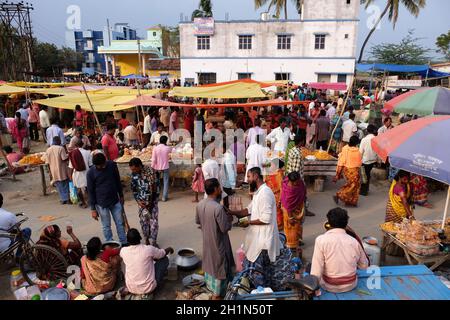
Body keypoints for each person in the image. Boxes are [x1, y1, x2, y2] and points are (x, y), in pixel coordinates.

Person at [227, 167, 281, 288]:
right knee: (255, 271)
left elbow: (265, 219)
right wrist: (232, 212)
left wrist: (248, 222)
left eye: (249, 176)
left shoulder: (265, 193)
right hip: (257, 238)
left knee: (260, 273)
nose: (248, 179)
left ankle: (262, 294)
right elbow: (248, 210)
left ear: (256, 176)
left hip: (263, 240)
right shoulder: (258, 192)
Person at [311, 208, 369, 293]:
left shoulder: (320, 240)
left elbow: (316, 269)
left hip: (328, 285)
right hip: (350, 285)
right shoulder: (354, 241)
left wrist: (314, 290)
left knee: (310, 266)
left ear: (329, 223)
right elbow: (364, 266)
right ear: (346, 223)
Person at [196, 178, 235, 300]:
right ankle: (217, 296)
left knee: (210, 265)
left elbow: (198, 222)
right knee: (219, 269)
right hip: (219, 244)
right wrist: (229, 219)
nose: (220, 189)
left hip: (207, 242)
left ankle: (213, 292)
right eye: (219, 187)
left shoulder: (200, 204)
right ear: (215, 189)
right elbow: (225, 228)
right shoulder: (218, 208)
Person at [120, 228, 173, 299]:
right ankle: (158, 284)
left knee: (124, 262)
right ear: (140, 238)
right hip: (148, 288)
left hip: (131, 288)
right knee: (164, 259)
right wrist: (169, 248)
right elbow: (162, 253)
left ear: (127, 241)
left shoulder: (123, 251)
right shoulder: (148, 249)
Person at [87, 153, 127, 245]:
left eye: (104, 164)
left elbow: (117, 180)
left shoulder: (112, 165)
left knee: (120, 223)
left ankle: (123, 242)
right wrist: (93, 209)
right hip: (101, 203)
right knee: (106, 226)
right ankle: (110, 243)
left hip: (115, 200)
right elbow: (91, 191)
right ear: (96, 165)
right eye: (101, 166)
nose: (103, 166)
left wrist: (121, 195)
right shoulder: (91, 173)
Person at [130, 158, 160, 246]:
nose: (133, 171)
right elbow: (134, 189)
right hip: (141, 203)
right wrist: (138, 201)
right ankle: (146, 239)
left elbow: (155, 189)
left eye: (135, 169)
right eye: (132, 169)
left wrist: (151, 204)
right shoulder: (133, 175)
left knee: (154, 223)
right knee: (144, 222)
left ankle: (154, 242)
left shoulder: (151, 172)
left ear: (140, 166)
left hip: (152, 202)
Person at [280, 171, 306, 257]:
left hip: (298, 208)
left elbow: (303, 188)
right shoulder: (289, 190)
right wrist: (290, 217)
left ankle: (297, 241)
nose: (296, 183)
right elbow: (288, 206)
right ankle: (291, 246)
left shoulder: (299, 182)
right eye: (294, 182)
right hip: (289, 212)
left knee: (298, 226)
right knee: (291, 227)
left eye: (297, 181)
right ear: (290, 180)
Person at [333, 136, 362, 207]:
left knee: (354, 185)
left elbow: (341, 162)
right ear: (356, 143)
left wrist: (338, 173)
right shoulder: (356, 151)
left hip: (349, 170)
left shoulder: (346, 148)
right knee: (353, 185)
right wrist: (338, 173)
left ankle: (350, 201)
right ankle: (339, 195)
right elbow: (359, 163)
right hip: (352, 171)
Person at [45, 136, 71, 204]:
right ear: (58, 141)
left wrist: (49, 171)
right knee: (65, 183)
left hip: (53, 170)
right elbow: (64, 158)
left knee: (58, 185)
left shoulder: (48, 150)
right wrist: (68, 155)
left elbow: (47, 162)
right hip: (62, 169)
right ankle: (67, 198)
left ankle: (63, 199)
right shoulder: (60, 148)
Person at [69, 140, 92, 208]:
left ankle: (84, 203)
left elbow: (71, 167)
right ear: (83, 144)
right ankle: (90, 201)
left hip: (77, 174)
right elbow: (90, 164)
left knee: (79, 189)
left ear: (75, 145)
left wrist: (70, 176)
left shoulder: (73, 153)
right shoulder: (88, 152)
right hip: (87, 173)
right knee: (88, 188)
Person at [264, 159, 285, 231]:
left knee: (277, 211)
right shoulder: (269, 172)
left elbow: (281, 187)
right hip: (269, 194)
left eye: (272, 164)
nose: (270, 165)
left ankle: (279, 226)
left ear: (276, 166)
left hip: (277, 195)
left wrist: (280, 200)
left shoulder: (279, 174)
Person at [151, 135, 172, 202]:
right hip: (165, 166)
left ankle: (157, 197)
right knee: (165, 182)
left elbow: (153, 159)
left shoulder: (155, 148)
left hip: (157, 167)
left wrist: (152, 167)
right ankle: (164, 197)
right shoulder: (167, 148)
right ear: (165, 141)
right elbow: (173, 150)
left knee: (157, 182)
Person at [359, 124, 378, 196]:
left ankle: (364, 191)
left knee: (364, 175)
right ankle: (366, 189)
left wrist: (359, 160)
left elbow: (360, 152)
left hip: (365, 160)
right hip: (373, 160)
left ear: (367, 131)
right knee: (367, 174)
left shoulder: (364, 139)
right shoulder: (376, 139)